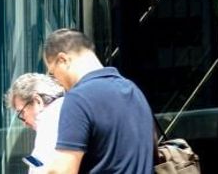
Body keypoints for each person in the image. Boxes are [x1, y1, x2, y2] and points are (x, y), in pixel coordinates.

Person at [40, 29, 154, 174]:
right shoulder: (134, 91)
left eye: (52, 73)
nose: (57, 81)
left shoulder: (78, 99)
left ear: (63, 60)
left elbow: (64, 170)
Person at [7, 72, 66, 170]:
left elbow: (41, 169)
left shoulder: (48, 121)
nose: (24, 123)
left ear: (38, 101)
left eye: (22, 113)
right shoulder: (66, 109)